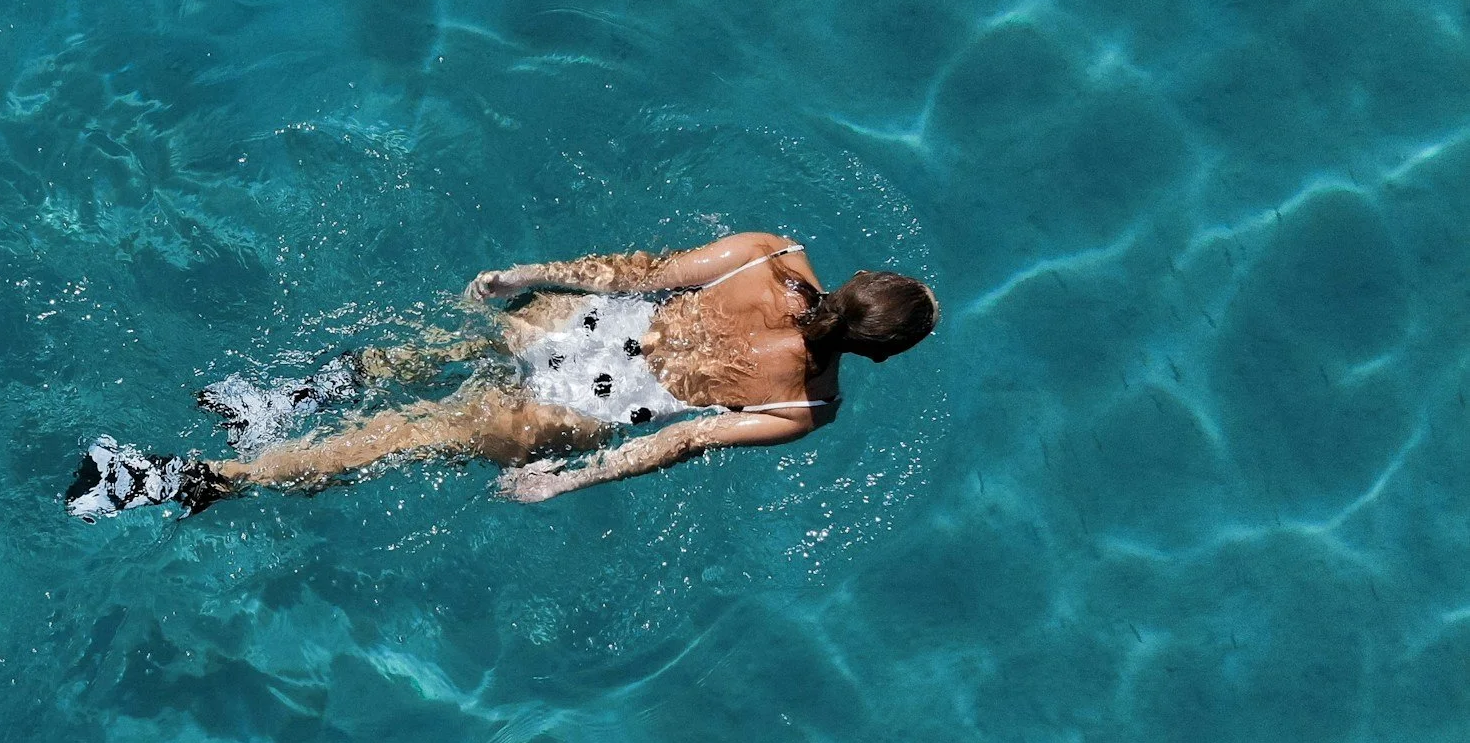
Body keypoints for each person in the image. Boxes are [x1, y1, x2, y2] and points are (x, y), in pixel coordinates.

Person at [63, 232, 936, 517]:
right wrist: (565, 482)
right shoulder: (803, 405)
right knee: (406, 437)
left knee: (436, 348)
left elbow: (635, 270)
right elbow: (680, 441)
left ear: (859, 282)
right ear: (880, 353)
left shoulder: (769, 253)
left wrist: (530, 276)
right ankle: (191, 481)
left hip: (592, 322)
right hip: (595, 406)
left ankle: (282, 399)